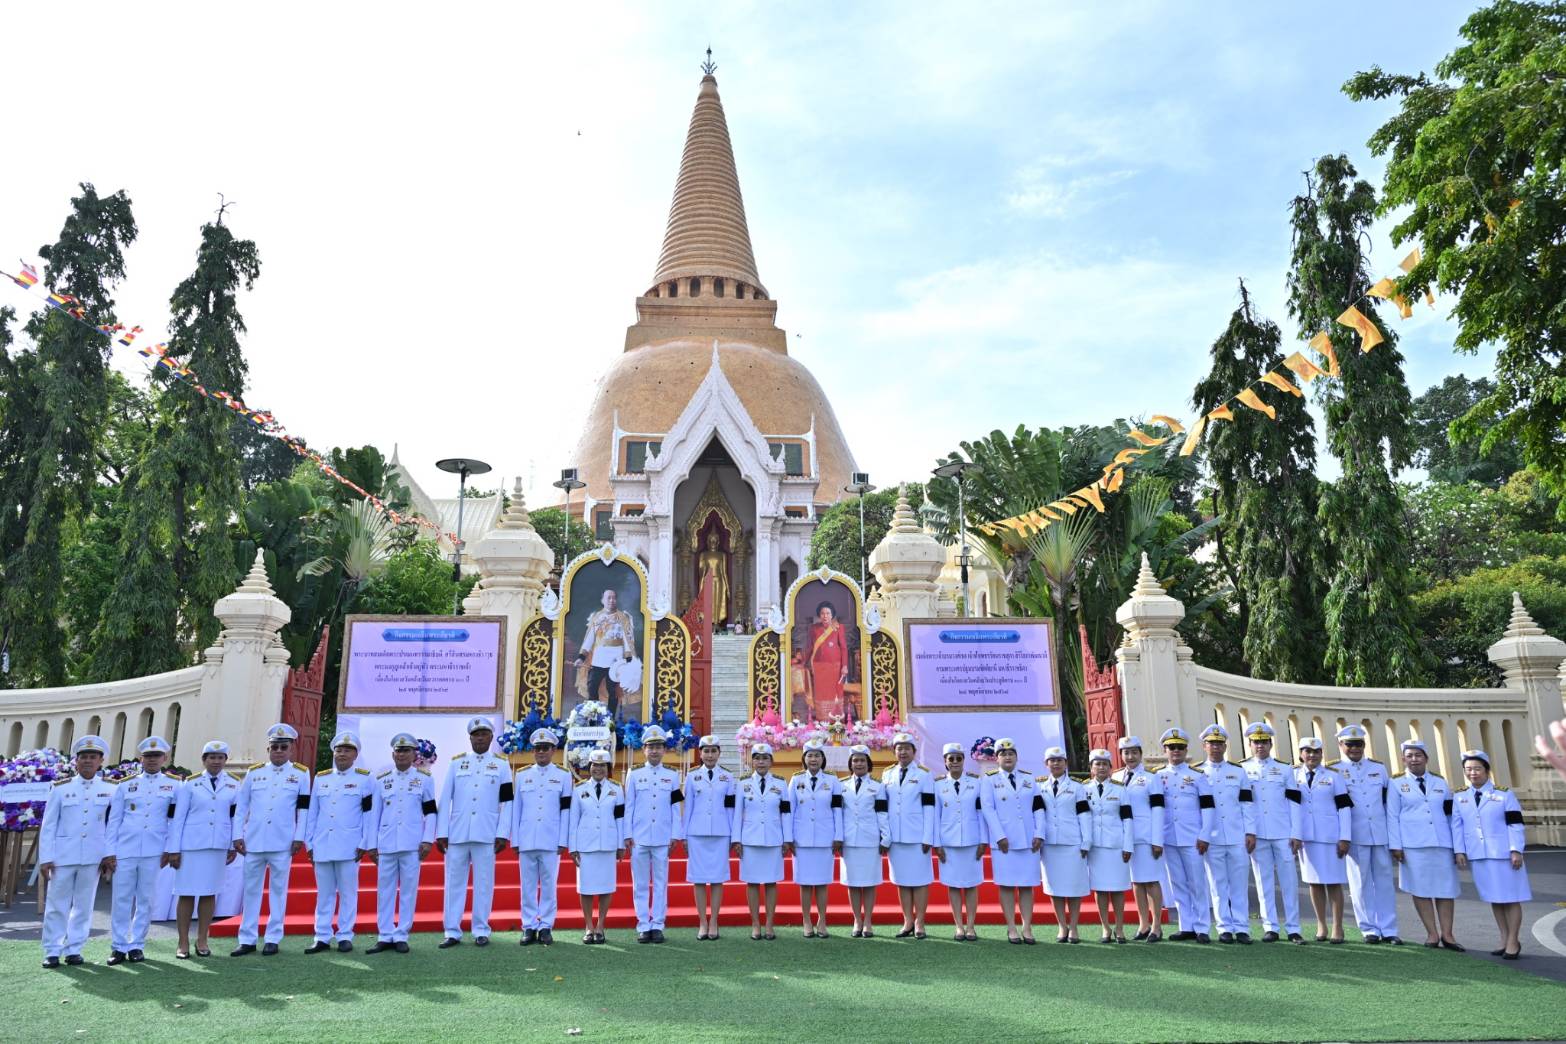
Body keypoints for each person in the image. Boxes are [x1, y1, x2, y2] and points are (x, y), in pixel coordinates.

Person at [231, 722, 312, 957]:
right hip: (254, 841)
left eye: (283, 747)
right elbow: (241, 806)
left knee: (278, 891)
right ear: (268, 749)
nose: (278, 751)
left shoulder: (301, 773)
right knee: (251, 891)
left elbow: (304, 809)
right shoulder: (254, 772)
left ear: (291, 749)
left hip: (282, 842)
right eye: (274, 747)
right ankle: (247, 939)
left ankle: (273, 937)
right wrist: (237, 835)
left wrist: (299, 837)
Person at [38, 735, 116, 969]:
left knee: (84, 904)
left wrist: (108, 854)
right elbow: (49, 825)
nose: (88, 761)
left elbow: (113, 825)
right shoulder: (61, 788)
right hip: (62, 856)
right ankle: (52, 950)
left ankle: (74, 949)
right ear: (76, 761)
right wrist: (46, 857)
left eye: (93, 757)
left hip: (93, 855)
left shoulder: (111, 788)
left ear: (101, 761)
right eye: (83, 757)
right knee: (56, 904)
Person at [436, 717, 513, 949]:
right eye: (476, 735)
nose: (480, 738)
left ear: (491, 737)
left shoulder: (501, 764)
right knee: (454, 884)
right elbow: (445, 798)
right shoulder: (456, 763)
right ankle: (452, 931)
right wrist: (442, 832)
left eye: (484, 734)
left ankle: (481, 929)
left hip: (487, 833)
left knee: (484, 884)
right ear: (470, 738)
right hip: (458, 833)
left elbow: (507, 802)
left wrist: (502, 833)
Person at [106, 735, 178, 965]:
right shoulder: (125, 785)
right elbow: (114, 821)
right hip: (125, 849)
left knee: (146, 899)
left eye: (156, 756)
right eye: (148, 756)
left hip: (154, 850)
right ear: (141, 759)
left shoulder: (175, 785)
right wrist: (110, 851)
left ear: (165, 758)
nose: (152, 760)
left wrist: (169, 849)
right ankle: (118, 945)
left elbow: (174, 821)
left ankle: (137, 944)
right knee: (121, 898)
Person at [1453, 749, 1530, 959]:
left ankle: (1513, 940)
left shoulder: (1504, 794)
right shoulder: (1459, 796)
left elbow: (1515, 824)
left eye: (1477, 768)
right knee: (1495, 898)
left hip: (1504, 854)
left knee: (1511, 898)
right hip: (1479, 854)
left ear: (1487, 770)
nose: (1473, 773)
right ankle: (1503, 937)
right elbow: (1457, 826)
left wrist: (1516, 850)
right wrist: (1459, 850)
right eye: (1468, 769)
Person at [167, 739, 241, 959]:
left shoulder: (234, 784)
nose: (216, 761)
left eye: (220, 758)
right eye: (212, 757)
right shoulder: (190, 784)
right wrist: (174, 849)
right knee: (186, 893)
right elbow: (178, 818)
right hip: (191, 846)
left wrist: (232, 844)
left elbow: (234, 817)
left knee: (210, 893)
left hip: (217, 846)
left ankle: (202, 939)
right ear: (204, 760)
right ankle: (183, 941)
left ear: (225, 760)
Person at [303, 731, 373, 954]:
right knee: (324, 893)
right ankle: (322, 935)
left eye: (347, 751)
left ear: (355, 755)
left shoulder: (364, 779)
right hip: (323, 843)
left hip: (350, 844)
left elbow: (369, 814)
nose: (342, 754)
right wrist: (309, 843)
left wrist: (365, 841)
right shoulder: (321, 778)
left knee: (348, 892)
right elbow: (312, 813)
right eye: (339, 750)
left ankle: (345, 934)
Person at [1386, 739, 1459, 949]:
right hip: (1413, 844)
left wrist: (1457, 846)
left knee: (1446, 890)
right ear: (1403, 759)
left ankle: (1448, 934)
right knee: (1420, 890)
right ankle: (1432, 934)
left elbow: (1450, 815)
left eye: (1418, 755)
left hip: (1442, 843)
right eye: (1409, 756)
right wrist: (1396, 845)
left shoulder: (1440, 782)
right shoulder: (1396, 783)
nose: (1414, 759)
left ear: (1426, 758)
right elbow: (1392, 816)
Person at [367, 733, 436, 954]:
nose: (402, 754)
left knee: (408, 891)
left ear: (414, 754)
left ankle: (402, 934)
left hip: (412, 843)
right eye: (398, 750)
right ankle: (384, 934)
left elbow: (431, 812)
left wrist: (427, 839)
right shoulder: (382, 779)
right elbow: (374, 814)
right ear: (393, 754)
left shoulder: (424, 779)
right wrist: (371, 844)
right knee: (384, 891)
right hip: (386, 843)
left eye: (406, 751)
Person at [1241, 722, 1305, 943]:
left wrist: (1296, 833)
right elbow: (1243, 804)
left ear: (1270, 744)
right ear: (1250, 744)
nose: (1260, 746)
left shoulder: (1285, 769)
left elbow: (1295, 803)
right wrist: (1248, 832)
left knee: (1289, 882)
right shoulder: (1242, 769)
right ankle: (1270, 927)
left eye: (1264, 742)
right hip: (1257, 833)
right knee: (1263, 881)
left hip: (1283, 831)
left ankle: (1294, 927)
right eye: (1256, 742)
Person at [1335, 724, 1398, 944]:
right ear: (1340, 745)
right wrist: (1342, 836)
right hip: (1355, 834)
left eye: (1359, 744)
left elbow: (1387, 803)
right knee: (1360, 884)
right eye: (1349, 744)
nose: (1354, 748)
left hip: (1379, 832)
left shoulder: (1378, 768)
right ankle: (1369, 928)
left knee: (1385, 882)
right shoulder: (1334, 771)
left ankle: (1389, 929)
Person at [1195, 725, 1256, 945]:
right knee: (1217, 884)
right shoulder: (1197, 773)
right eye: (1211, 743)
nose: (1216, 747)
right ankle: (1224, 928)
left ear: (1225, 746)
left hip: (1237, 834)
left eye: (1220, 743)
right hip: (1212, 838)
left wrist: (1250, 831)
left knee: (1239, 884)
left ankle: (1242, 928)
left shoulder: (1238, 771)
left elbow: (1247, 803)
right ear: (1204, 746)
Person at [513, 727, 573, 946]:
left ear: (553, 750)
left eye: (545, 748)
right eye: (537, 748)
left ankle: (546, 925)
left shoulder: (563, 776)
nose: (541, 752)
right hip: (527, 838)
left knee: (548, 885)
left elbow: (566, 810)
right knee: (527, 886)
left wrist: (563, 840)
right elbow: (516, 809)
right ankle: (528, 926)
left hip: (551, 838)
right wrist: (515, 839)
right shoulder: (522, 775)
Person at [980, 738, 1041, 944]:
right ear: (996, 758)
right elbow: (988, 809)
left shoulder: (1029, 778)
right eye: (1003, 754)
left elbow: (1038, 807)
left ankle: (1027, 927)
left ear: (1016, 757)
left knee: (1027, 885)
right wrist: (999, 836)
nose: (1007, 757)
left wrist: (1039, 833)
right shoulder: (989, 780)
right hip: (1004, 842)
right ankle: (1011, 927)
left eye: (1011, 753)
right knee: (1006, 885)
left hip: (1028, 840)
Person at [626, 725, 683, 944]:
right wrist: (627, 834)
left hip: (662, 836)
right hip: (639, 837)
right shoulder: (634, 774)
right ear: (644, 749)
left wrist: (675, 834)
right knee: (640, 883)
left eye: (659, 747)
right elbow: (629, 806)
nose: (655, 751)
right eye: (651, 747)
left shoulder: (672, 775)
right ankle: (643, 924)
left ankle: (658, 924)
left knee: (660, 883)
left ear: (664, 750)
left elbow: (675, 807)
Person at [1157, 728, 1214, 943]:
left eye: (1180, 747)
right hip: (1169, 837)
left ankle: (1202, 927)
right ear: (1165, 750)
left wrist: (1205, 835)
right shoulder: (1158, 776)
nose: (1176, 751)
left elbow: (1208, 807)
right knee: (1178, 883)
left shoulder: (1198, 776)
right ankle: (1186, 926)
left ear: (1186, 750)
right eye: (1172, 747)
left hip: (1193, 838)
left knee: (1197, 883)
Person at [1295, 737, 1352, 944]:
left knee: (1334, 882)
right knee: (1314, 882)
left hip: (1330, 836)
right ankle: (1321, 924)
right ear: (1301, 754)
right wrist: (1295, 834)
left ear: (1321, 754)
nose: (1312, 755)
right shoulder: (1293, 775)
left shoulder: (1333, 777)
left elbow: (1344, 807)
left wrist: (1345, 837)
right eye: (1308, 751)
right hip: (1306, 837)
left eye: (1316, 751)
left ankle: (1337, 926)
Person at [679, 734, 735, 941]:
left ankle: (714, 921)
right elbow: (688, 807)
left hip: (721, 833)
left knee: (718, 879)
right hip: (697, 833)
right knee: (699, 879)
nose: (710, 755)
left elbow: (731, 809)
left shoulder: (728, 777)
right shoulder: (692, 776)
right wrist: (684, 835)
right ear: (700, 754)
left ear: (719, 753)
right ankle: (702, 921)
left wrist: (733, 835)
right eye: (706, 751)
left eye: (713, 751)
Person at [733, 743, 792, 940]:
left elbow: (786, 813)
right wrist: (736, 839)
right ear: (752, 762)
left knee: (771, 882)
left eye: (765, 758)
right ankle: (755, 923)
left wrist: (787, 839)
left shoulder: (781, 783)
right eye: (757, 758)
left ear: (771, 761)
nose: (761, 762)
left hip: (773, 839)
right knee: (752, 882)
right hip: (750, 839)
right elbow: (737, 814)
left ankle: (769, 924)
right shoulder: (742, 783)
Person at [881, 733, 935, 939]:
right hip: (895, 836)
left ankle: (920, 921)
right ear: (894, 751)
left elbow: (929, 807)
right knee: (901, 880)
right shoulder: (887, 774)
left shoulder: (924, 774)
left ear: (914, 751)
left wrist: (928, 836)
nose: (902, 752)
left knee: (920, 880)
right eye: (899, 748)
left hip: (917, 836)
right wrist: (885, 836)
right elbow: (884, 806)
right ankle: (908, 920)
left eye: (906, 748)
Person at [570, 748, 626, 945]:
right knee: (585, 888)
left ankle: (600, 925)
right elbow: (573, 820)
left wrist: (620, 844)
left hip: (608, 844)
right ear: (589, 767)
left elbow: (620, 819)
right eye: (595, 765)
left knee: (606, 887)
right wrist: (572, 847)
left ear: (608, 768)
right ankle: (588, 926)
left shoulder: (617, 789)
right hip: (586, 845)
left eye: (602, 765)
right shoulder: (579, 789)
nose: (598, 769)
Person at [1038, 745, 1092, 943]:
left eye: (1059, 760)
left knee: (1074, 886)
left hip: (1072, 842)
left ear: (1066, 763)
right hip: (1049, 843)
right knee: (1054, 887)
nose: (1056, 764)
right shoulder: (1039, 786)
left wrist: (1086, 841)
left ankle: (1074, 927)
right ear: (1046, 764)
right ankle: (1062, 925)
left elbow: (1084, 814)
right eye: (1052, 760)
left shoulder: (1077, 787)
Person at [791, 739, 844, 938]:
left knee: (822, 882)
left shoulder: (832, 780)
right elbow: (790, 810)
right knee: (805, 883)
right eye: (810, 755)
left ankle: (822, 920)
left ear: (823, 759)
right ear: (804, 759)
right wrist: (789, 837)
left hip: (825, 838)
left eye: (817, 755)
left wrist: (838, 835)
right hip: (801, 839)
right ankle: (806, 920)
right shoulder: (795, 780)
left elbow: (837, 809)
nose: (813, 759)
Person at [1116, 736, 1166, 942]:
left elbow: (1158, 809)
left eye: (1134, 752)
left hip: (1146, 836)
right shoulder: (1115, 777)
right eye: (1126, 753)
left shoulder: (1151, 778)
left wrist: (1157, 840)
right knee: (1137, 882)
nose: (1130, 757)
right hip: (1125, 839)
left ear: (1140, 754)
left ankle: (1157, 926)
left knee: (1151, 881)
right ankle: (1143, 924)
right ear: (1121, 755)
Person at [933, 742, 985, 942]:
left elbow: (981, 813)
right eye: (951, 759)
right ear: (945, 761)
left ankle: (971, 926)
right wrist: (937, 844)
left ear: (963, 760)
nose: (955, 762)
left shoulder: (976, 783)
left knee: (971, 885)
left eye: (958, 758)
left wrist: (983, 841)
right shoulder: (937, 785)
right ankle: (959, 926)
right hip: (949, 843)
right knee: (953, 885)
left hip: (972, 841)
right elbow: (935, 816)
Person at [1083, 749, 1133, 944]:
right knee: (1100, 889)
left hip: (1116, 845)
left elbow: (1128, 819)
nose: (1101, 767)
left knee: (1118, 888)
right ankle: (1105, 927)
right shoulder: (1083, 789)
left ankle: (1119, 928)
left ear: (1111, 768)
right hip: (1095, 846)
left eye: (1105, 764)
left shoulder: (1120, 790)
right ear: (1091, 768)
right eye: (1097, 764)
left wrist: (1128, 845)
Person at [839, 744, 889, 938]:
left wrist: (886, 837)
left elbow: (882, 813)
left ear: (868, 763)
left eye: (862, 760)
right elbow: (837, 814)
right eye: (855, 760)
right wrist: (838, 837)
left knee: (869, 882)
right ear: (850, 764)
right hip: (848, 839)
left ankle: (867, 920)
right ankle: (857, 920)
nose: (858, 764)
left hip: (870, 839)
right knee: (852, 883)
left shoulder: (878, 786)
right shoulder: (841, 785)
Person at [575, 587, 635, 716]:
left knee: (613, 691)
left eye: (614, 598)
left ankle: (610, 719)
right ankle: (594, 716)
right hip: (598, 659)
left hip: (616, 661)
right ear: (602, 600)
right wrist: (581, 657)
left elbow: (627, 640)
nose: (612, 600)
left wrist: (629, 658)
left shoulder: (622, 618)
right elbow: (589, 639)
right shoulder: (596, 617)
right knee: (592, 687)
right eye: (609, 598)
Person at [804, 601, 850, 720]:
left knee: (836, 692)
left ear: (832, 614)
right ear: (819, 615)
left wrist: (845, 666)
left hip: (835, 667)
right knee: (821, 693)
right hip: (819, 667)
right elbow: (810, 647)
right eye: (822, 613)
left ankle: (836, 718)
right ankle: (822, 718)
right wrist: (804, 662)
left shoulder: (839, 627)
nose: (825, 616)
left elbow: (844, 648)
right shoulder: (814, 628)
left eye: (828, 613)